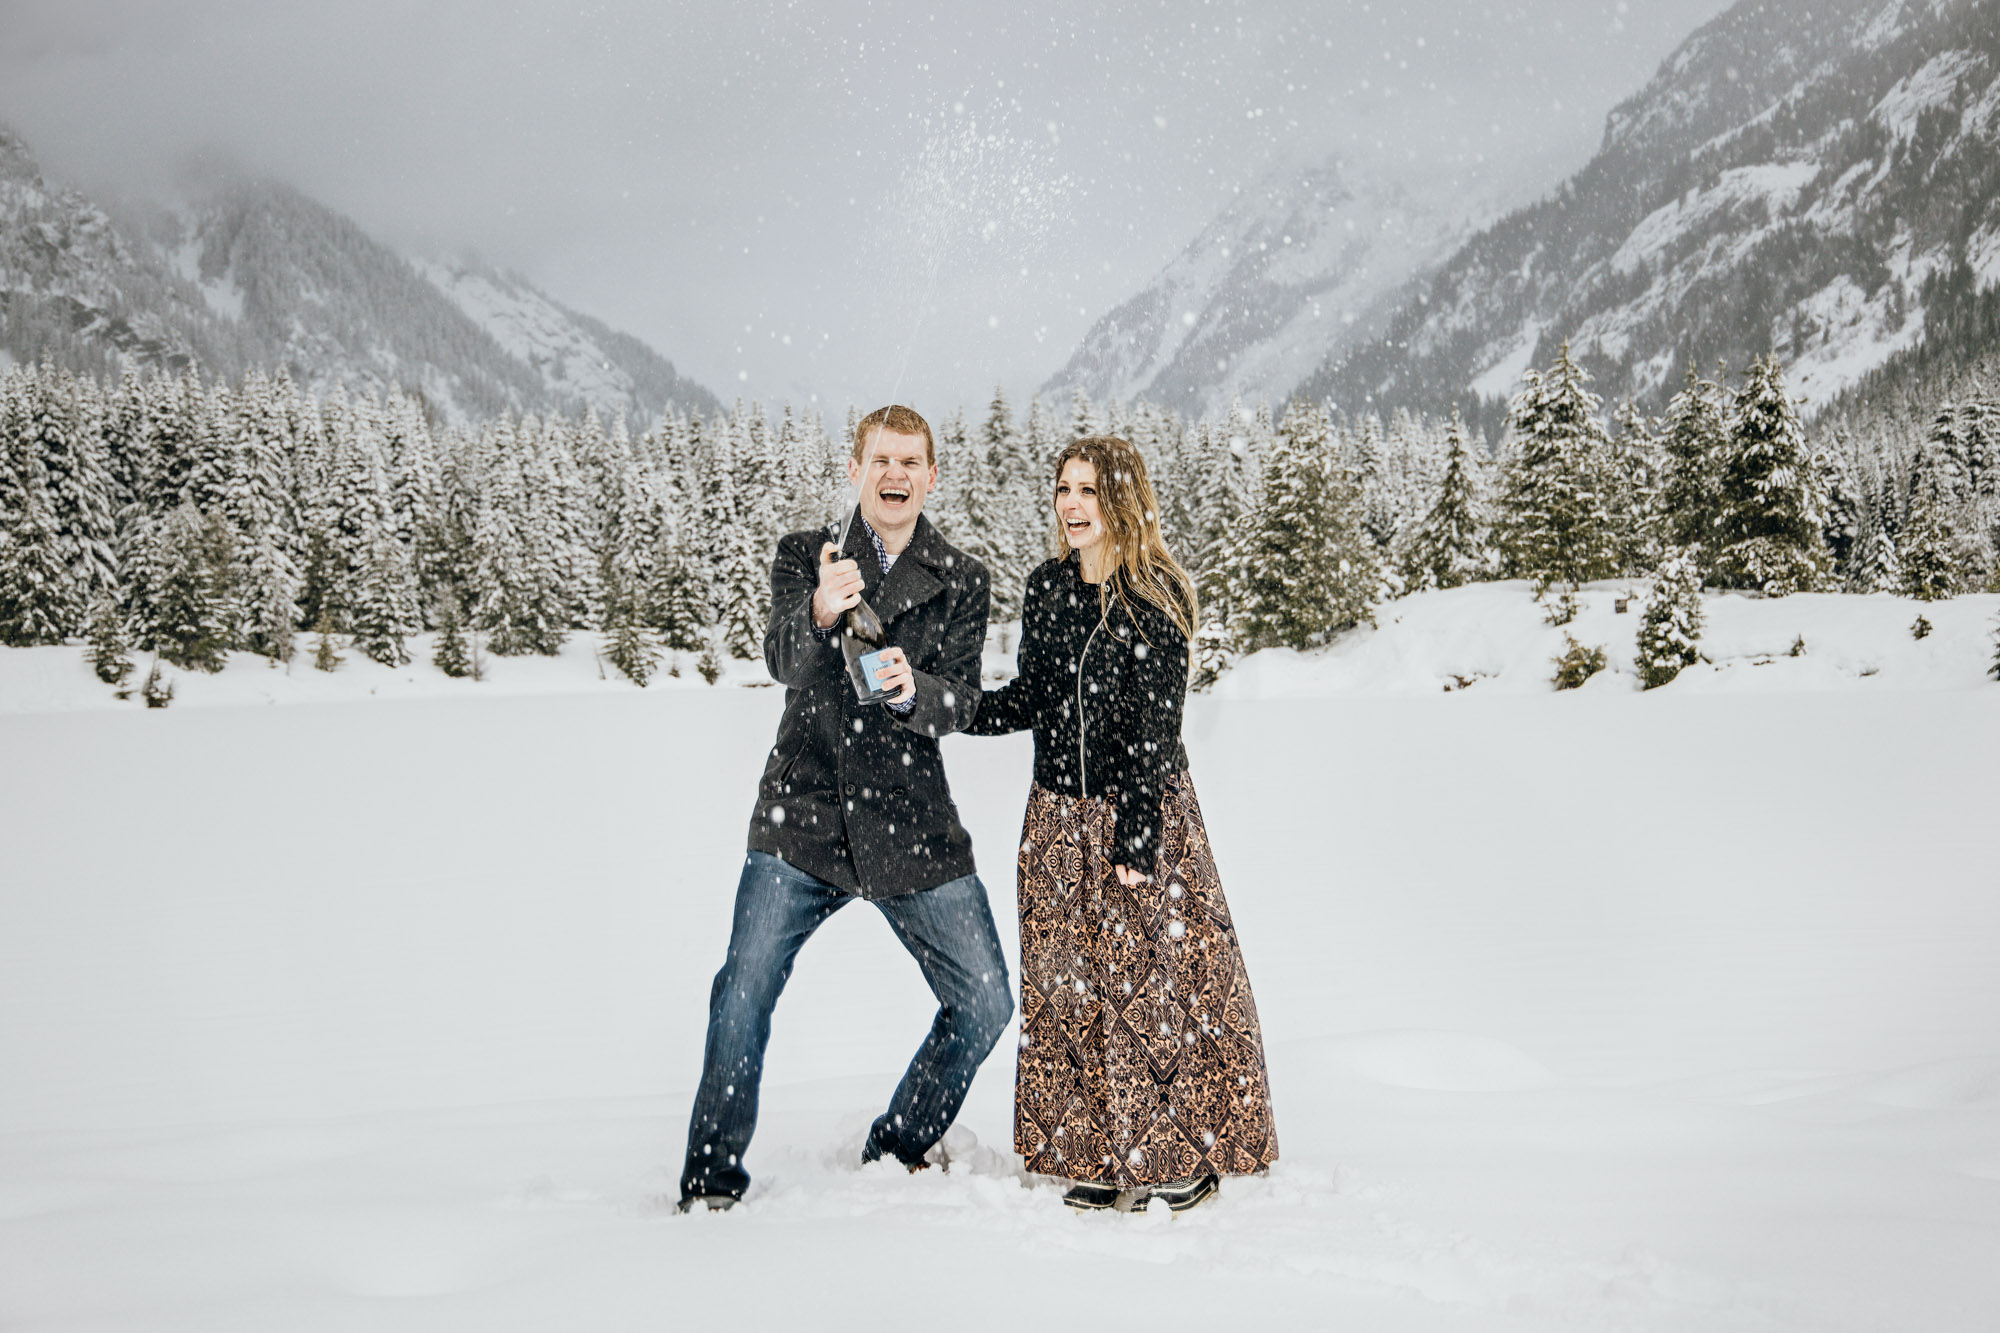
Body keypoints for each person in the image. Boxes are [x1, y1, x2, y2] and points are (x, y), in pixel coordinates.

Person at [678, 404, 1012, 1212]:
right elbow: (783, 660)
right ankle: (711, 1182)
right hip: (805, 815)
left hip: (912, 824)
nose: (895, 476)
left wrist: (914, 690)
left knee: (986, 998)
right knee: (744, 987)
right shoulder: (808, 554)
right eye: (881, 461)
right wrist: (822, 609)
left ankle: (897, 1144)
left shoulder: (963, 579)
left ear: (932, 476)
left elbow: (961, 699)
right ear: (856, 469)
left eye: (911, 462)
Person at [966, 434, 1278, 1214]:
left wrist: (1136, 840)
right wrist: (940, 704)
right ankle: (1096, 1155)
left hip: (1140, 814)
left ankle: (1180, 1155)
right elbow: (1027, 699)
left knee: (1153, 989)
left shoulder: (1156, 595)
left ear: (1121, 500)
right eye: (1063, 489)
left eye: (1088, 490)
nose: (1072, 505)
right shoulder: (1046, 589)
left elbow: (1153, 728)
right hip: (1056, 818)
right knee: (1069, 984)